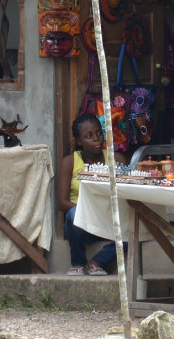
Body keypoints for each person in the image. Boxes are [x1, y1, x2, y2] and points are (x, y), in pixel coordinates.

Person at [56, 112, 127, 276]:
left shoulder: (117, 159)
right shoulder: (70, 162)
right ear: (79, 141)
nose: (96, 139)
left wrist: (104, 215)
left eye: (98, 133)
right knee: (72, 215)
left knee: (134, 225)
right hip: (81, 224)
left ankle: (98, 262)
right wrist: (88, 213)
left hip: (108, 222)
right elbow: (62, 202)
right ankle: (78, 263)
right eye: (89, 136)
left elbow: (127, 194)